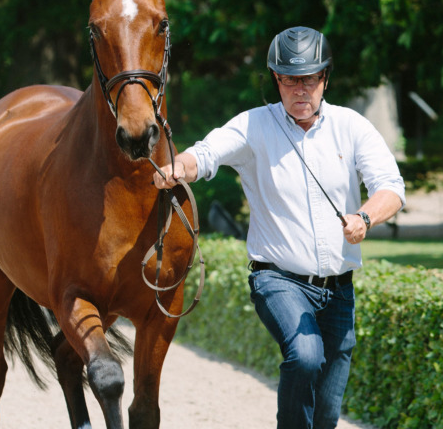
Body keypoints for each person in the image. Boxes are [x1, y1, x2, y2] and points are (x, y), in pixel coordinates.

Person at [153, 26, 405, 428]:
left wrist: (365, 217)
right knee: (304, 354)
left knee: (326, 415)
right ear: (276, 80)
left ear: (325, 78)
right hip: (278, 281)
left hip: (339, 290)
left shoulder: (352, 126)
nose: (299, 90)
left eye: (308, 80)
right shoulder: (254, 125)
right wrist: (177, 168)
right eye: (290, 80)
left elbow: (391, 187)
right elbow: (206, 153)